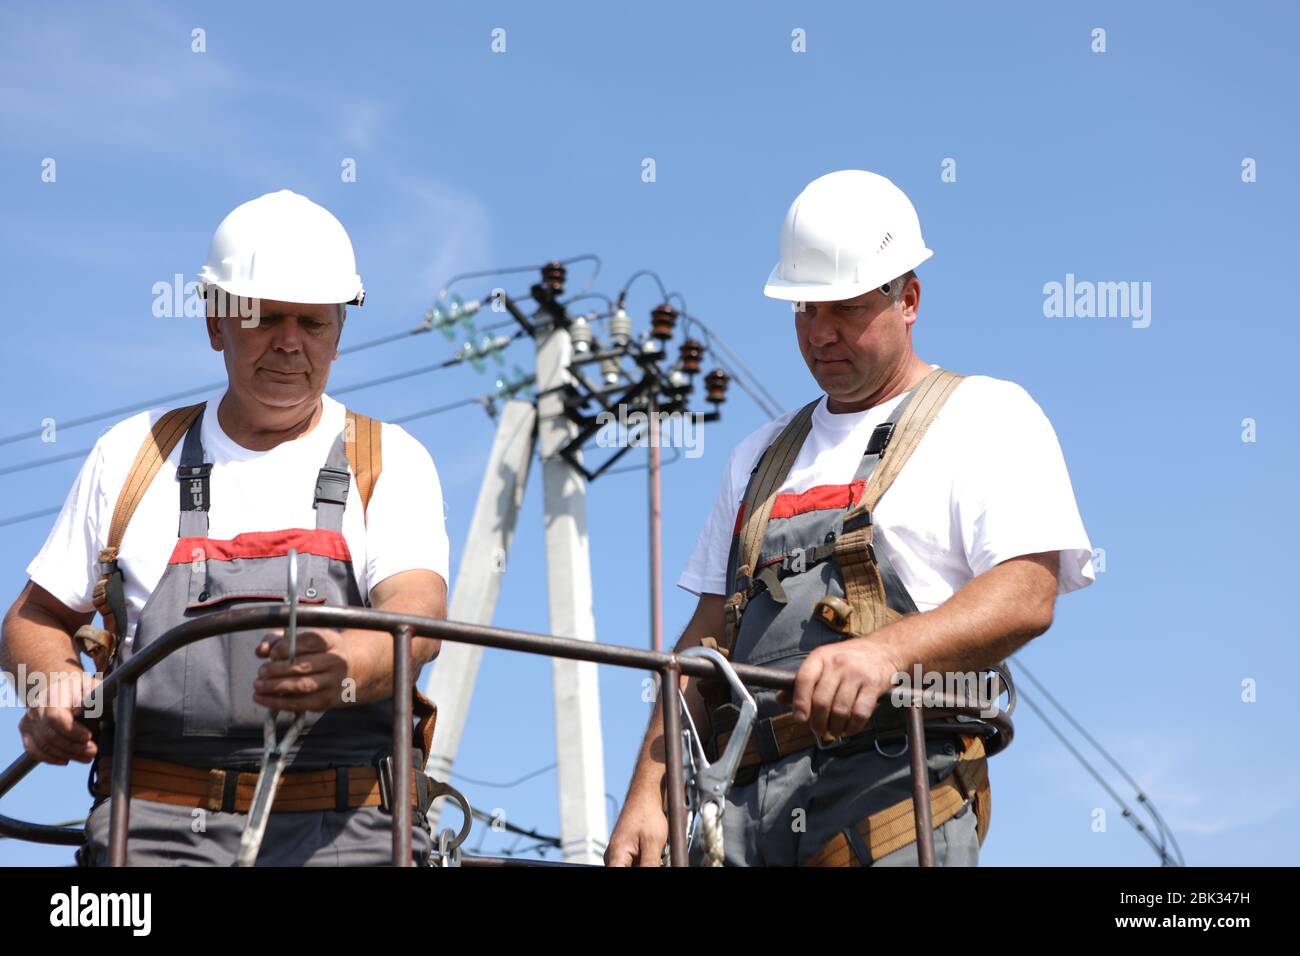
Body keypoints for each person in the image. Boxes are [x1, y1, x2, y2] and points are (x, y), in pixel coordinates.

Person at [606, 170, 1095, 867]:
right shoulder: (759, 456)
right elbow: (706, 643)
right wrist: (647, 796)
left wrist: (883, 652)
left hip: (891, 799)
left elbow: (1026, 594)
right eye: (805, 310)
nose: (821, 334)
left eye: (846, 309)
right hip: (742, 811)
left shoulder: (983, 416)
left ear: (909, 299)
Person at [0, 189, 450, 866]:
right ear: (215, 322)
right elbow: (34, 617)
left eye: (312, 322)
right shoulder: (134, 456)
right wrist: (54, 683)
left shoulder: (387, 461)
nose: (289, 343)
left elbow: (417, 617)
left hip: (349, 832)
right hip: (149, 827)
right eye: (264, 317)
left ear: (339, 330)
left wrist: (344, 667)